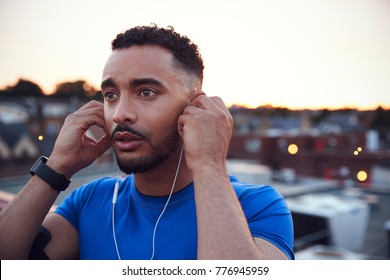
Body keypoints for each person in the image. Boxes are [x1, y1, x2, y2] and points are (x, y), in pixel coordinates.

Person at [0, 24, 294, 260]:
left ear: (194, 106)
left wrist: (208, 164)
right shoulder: (89, 201)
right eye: (111, 95)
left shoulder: (258, 207)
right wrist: (58, 167)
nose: (120, 114)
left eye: (146, 92)